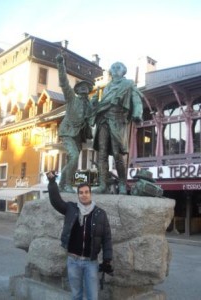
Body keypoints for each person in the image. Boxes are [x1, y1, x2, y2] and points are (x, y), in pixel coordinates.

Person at [47, 170, 113, 300]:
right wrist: (52, 182)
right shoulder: (71, 208)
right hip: (73, 261)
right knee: (76, 295)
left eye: (86, 192)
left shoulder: (100, 214)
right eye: (81, 193)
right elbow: (56, 201)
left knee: (92, 297)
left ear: (90, 194)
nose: (84, 195)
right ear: (78, 195)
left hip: (91, 262)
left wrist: (107, 259)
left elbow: (107, 238)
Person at [90, 62, 143, 194]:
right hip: (103, 121)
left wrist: (137, 113)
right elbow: (102, 105)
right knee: (101, 154)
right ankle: (103, 184)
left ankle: (122, 183)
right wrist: (95, 104)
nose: (115, 69)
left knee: (117, 154)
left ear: (123, 71)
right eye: (112, 67)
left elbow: (136, 99)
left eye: (118, 67)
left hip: (117, 121)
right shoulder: (106, 87)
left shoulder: (128, 84)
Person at [56, 54, 94, 193]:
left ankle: (61, 184)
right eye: (81, 87)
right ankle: (66, 184)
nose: (84, 89)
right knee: (74, 156)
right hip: (67, 131)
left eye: (86, 87)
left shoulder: (90, 105)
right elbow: (64, 82)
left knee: (72, 160)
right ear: (77, 90)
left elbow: (93, 117)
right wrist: (61, 64)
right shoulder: (72, 99)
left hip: (79, 136)